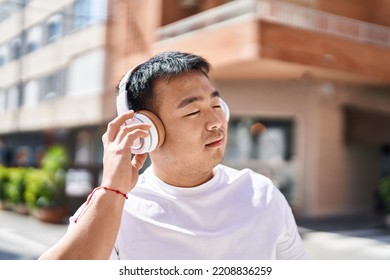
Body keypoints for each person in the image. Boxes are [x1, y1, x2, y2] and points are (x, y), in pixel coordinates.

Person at [39, 51, 307, 260]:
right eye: (193, 111)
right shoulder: (114, 209)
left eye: (216, 105)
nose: (217, 121)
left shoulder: (262, 194)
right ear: (145, 131)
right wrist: (111, 191)